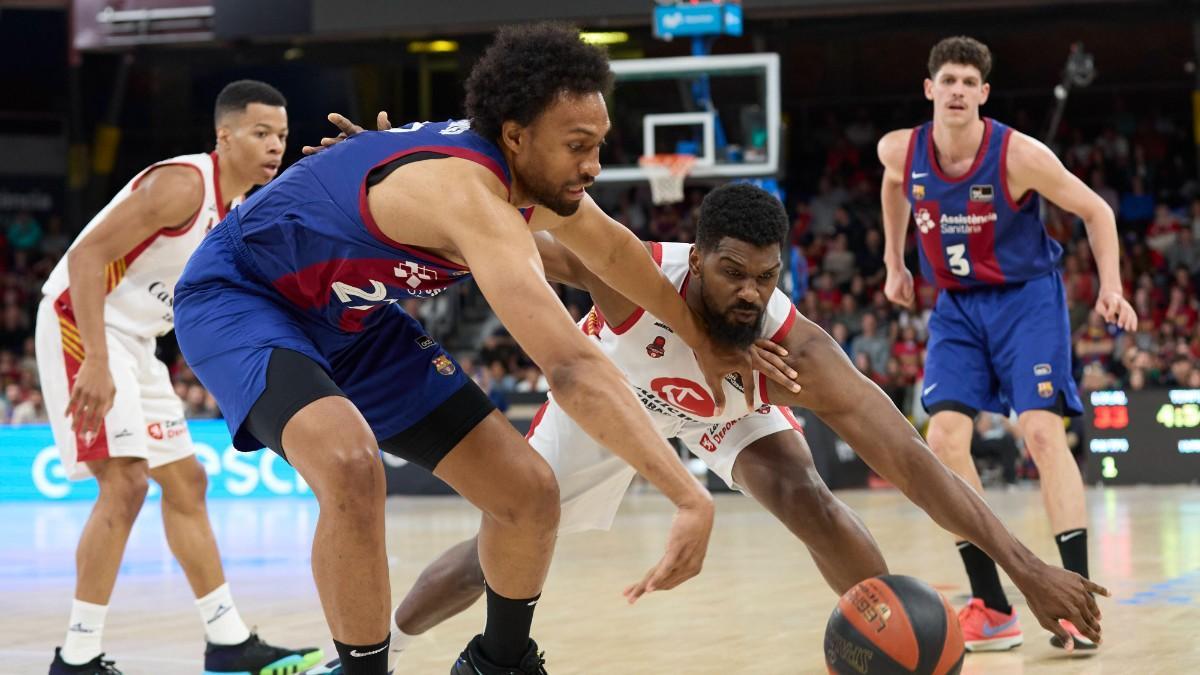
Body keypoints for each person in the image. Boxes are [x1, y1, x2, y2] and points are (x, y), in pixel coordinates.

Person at [172, 24, 749, 675]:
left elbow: (615, 254)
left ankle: (499, 662)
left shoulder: (521, 177)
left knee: (529, 492)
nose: (592, 165)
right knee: (350, 462)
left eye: (599, 145)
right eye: (577, 146)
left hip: (353, 315)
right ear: (514, 136)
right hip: (242, 296)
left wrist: (701, 339)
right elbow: (569, 367)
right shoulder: (473, 200)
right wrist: (687, 494)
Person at [344, 183, 1102, 669]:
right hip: (617, 397)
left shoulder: (792, 346)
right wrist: (392, 187)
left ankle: (890, 648)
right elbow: (506, 240)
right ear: (697, 258)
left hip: (724, 409)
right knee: (499, 544)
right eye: (733, 271)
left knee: (808, 496)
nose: (750, 291)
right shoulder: (630, 274)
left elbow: (911, 460)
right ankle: (372, 654)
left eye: (766, 276)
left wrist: (1028, 569)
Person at [37, 81, 322, 674]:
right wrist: (93, 357)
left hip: (136, 339)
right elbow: (87, 258)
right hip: (82, 321)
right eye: (261, 133)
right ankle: (77, 656)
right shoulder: (183, 184)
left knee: (187, 483)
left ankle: (228, 642)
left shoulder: (242, 210)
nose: (275, 147)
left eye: (282, 137)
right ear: (224, 134)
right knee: (126, 484)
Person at [876, 36, 1137, 652]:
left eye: (970, 81)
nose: (959, 90)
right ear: (930, 89)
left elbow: (1097, 211)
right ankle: (992, 606)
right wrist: (894, 259)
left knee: (1042, 432)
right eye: (949, 81)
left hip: (1027, 300)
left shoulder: (1021, 155)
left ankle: (1076, 602)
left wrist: (1112, 287)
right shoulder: (901, 150)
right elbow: (892, 186)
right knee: (941, 439)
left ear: (984, 94)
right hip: (958, 308)